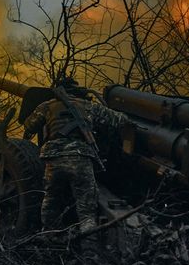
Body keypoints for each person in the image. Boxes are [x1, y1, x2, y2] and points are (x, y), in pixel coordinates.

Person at [22, 77, 128, 241]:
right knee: (86, 209)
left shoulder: (47, 106)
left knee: (51, 200)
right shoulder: (88, 106)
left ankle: (49, 239)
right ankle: (89, 246)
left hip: (54, 158)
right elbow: (119, 120)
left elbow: (29, 126)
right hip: (80, 157)